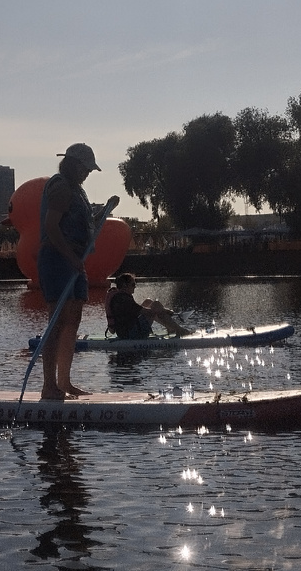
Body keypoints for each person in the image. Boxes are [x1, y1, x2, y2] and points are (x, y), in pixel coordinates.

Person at [37, 143, 108, 400]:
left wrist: (104, 212)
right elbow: (52, 227)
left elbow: (84, 225)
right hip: (57, 258)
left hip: (75, 260)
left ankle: (65, 382)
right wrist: (69, 257)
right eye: (85, 168)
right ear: (73, 164)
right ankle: (49, 386)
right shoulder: (61, 187)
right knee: (57, 321)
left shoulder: (78, 191)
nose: (87, 173)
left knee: (74, 317)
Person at [105, 272, 192, 339]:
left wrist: (163, 310)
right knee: (156, 305)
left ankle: (171, 328)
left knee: (148, 301)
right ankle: (180, 330)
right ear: (124, 285)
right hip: (130, 334)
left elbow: (140, 309)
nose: (135, 287)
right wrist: (166, 311)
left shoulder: (120, 296)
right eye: (133, 284)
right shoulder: (123, 299)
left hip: (126, 332)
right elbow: (147, 311)